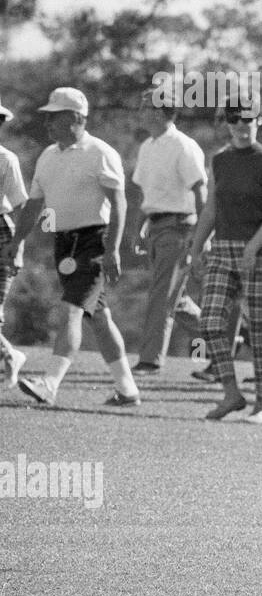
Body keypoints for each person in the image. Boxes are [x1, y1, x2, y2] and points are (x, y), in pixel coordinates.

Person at [2, 88, 140, 407]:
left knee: (72, 309)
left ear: (77, 118)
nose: (48, 122)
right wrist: (18, 241)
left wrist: (113, 250)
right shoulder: (48, 156)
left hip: (96, 241)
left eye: (55, 116)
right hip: (64, 244)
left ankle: (50, 383)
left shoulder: (100, 152)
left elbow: (119, 204)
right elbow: (34, 206)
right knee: (99, 317)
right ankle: (128, 389)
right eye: (47, 116)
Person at [188, 94, 262, 422]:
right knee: (211, 322)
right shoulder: (219, 159)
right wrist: (197, 247)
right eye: (234, 120)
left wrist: (253, 248)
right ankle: (231, 394)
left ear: (259, 121)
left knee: (258, 327)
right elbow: (211, 208)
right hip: (223, 250)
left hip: (258, 252)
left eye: (248, 119)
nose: (242, 126)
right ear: (226, 123)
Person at [131, 89, 208, 373]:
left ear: (161, 111)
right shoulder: (147, 146)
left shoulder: (183, 146)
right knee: (177, 299)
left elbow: (201, 193)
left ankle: (150, 360)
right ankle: (223, 338)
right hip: (155, 227)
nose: (140, 109)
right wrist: (137, 230)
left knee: (161, 294)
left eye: (145, 105)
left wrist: (199, 238)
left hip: (179, 228)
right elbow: (146, 195)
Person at [0, 97, 28, 386]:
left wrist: (18, 248)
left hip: (2, 232)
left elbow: (21, 205)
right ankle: (10, 354)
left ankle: (9, 355)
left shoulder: (7, 159)